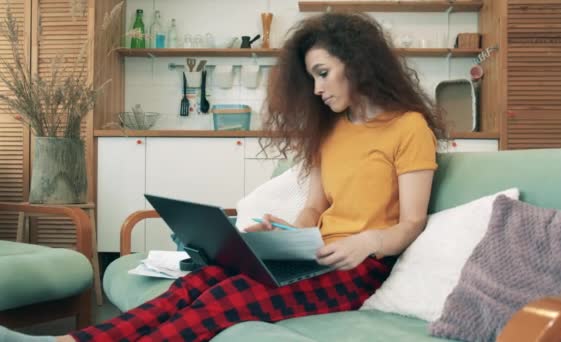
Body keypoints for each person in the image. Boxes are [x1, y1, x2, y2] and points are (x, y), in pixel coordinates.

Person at [1, 11, 447, 342]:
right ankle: (72, 340)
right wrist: (291, 234)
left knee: (224, 299)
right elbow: (317, 206)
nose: (316, 89)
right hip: (314, 257)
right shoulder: (332, 130)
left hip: (362, 269)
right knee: (202, 280)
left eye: (323, 74)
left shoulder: (409, 128)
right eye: (312, 77)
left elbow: (411, 223)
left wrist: (366, 241)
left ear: (360, 64)